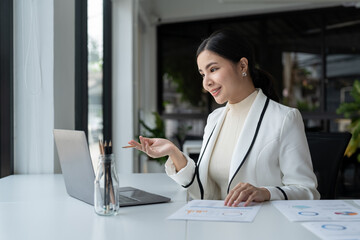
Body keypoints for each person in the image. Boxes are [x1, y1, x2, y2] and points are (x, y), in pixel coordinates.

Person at [126, 29, 320, 206]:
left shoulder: (284, 118)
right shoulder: (215, 119)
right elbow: (203, 192)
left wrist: (265, 193)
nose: (206, 83)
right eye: (202, 74)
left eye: (213, 69)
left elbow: (307, 192)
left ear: (242, 65)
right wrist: (174, 153)